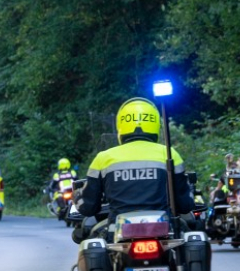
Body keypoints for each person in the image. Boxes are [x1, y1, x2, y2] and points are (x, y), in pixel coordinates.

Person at [75, 97, 195, 227]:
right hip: (163, 229)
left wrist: (77, 196)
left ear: (120, 125)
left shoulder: (103, 158)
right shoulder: (169, 154)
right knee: (191, 226)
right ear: (155, 124)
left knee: (85, 232)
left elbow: (88, 208)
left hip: (117, 230)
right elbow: (185, 205)